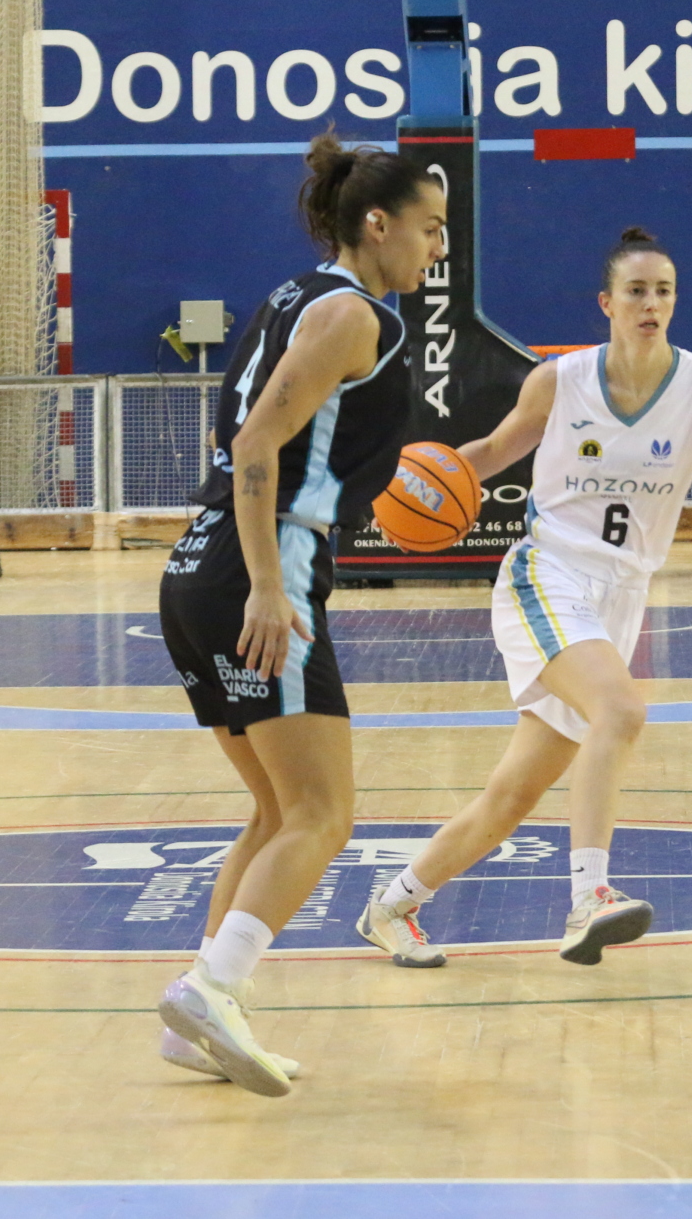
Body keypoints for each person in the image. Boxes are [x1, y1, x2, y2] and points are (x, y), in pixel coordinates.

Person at [354, 227, 692, 967]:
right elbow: (494, 451)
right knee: (620, 710)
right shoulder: (559, 381)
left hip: (621, 597)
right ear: (608, 302)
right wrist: (408, 485)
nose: (651, 302)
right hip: (548, 574)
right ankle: (589, 896)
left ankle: (391, 904)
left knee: (511, 798)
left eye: (663, 290)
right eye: (636, 290)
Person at [152, 133, 445, 1097]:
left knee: (277, 809)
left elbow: (226, 432)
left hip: (198, 564)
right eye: (429, 229)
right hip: (256, 573)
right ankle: (212, 987)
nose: (436, 250)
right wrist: (271, 583)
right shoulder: (355, 317)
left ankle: (199, 1017)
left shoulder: (290, 297)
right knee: (324, 813)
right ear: (377, 223)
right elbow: (255, 442)